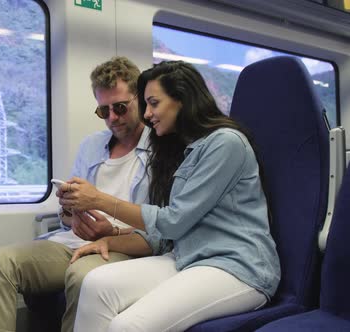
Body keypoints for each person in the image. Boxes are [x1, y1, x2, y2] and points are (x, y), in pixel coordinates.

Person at [61, 61, 281, 332]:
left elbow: (174, 221)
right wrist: (111, 238)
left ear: (183, 100)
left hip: (238, 266)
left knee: (127, 325)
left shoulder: (226, 143)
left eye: (154, 103)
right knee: (95, 285)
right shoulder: (184, 149)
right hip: (188, 257)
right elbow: (165, 234)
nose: (147, 114)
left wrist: (98, 200)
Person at [0, 56, 168, 332]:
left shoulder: (161, 150)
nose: (112, 118)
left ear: (140, 100)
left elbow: (161, 228)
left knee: (82, 277)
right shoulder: (91, 146)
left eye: (121, 108)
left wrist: (110, 233)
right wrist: (70, 215)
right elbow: (68, 212)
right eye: (104, 111)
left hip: (124, 247)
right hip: (73, 240)